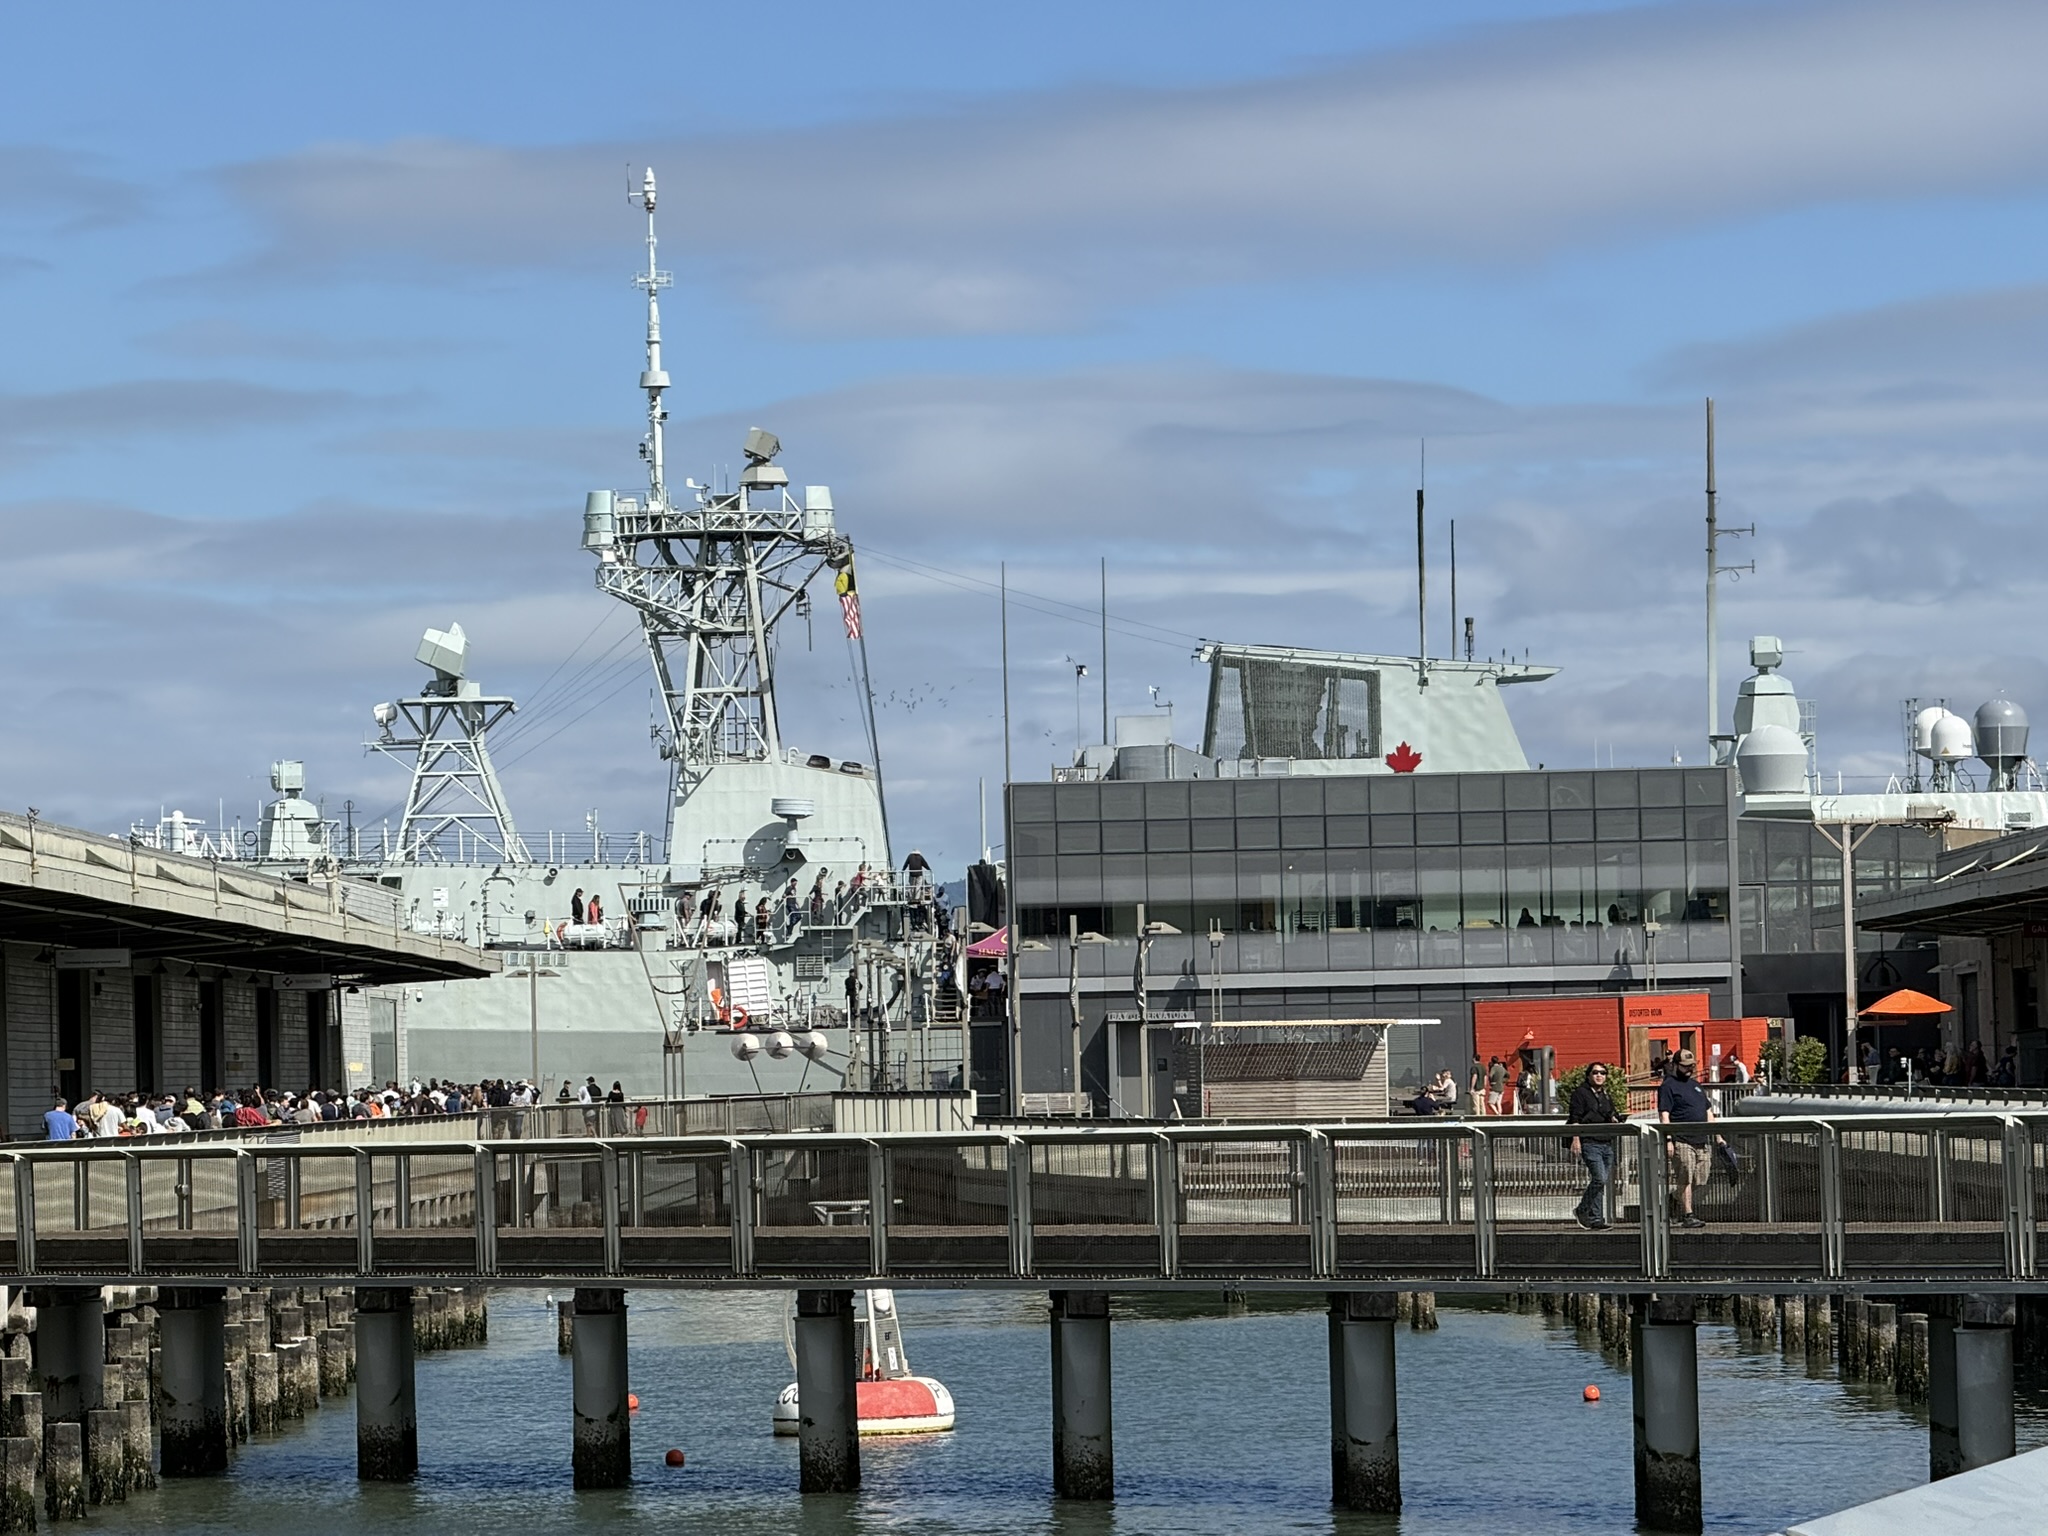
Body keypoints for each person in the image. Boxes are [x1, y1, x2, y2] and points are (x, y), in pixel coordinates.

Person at [1657, 1048, 1721, 1229]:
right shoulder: (1668, 1085)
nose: (1688, 1069)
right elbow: (1664, 1114)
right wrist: (1668, 1139)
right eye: (1685, 1066)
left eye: (1691, 1066)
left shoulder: (1695, 1085)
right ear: (1676, 1065)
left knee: (1700, 1179)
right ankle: (1688, 1214)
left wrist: (1718, 1136)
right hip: (1682, 1139)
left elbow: (1708, 1111)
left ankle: (1674, 1198)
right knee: (1685, 1176)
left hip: (1702, 1140)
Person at [1568, 1063, 1623, 1229]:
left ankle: (1596, 1219)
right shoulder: (1580, 1093)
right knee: (1599, 1178)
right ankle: (1582, 1210)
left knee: (1601, 1181)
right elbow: (1575, 1118)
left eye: (1603, 1073)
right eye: (1595, 1072)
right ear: (1588, 1075)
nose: (1599, 1075)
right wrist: (1575, 1139)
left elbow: (1612, 1113)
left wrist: (1614, 1119)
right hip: (1590, 1141)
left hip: (1606, 1142)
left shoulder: (1605, 1094)